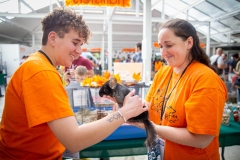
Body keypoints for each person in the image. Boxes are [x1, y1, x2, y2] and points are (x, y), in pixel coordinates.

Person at [0, 8, 147, 159]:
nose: (79, 51)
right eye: (75, 43)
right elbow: (74, 140)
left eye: (81, 44)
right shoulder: (41, 72)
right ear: (53, 38)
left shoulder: (39, 65)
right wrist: (124, 113)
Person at [133, 19, 227, 159]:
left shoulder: (205, 80)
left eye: (169, 45)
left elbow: (201, 139)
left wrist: (149, 126)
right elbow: (151, 106)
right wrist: (133, 108)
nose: (163, 53)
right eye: (160, 46)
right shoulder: (164, 72)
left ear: (189, 42)